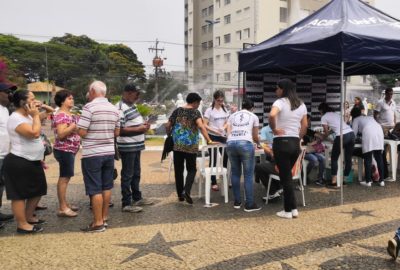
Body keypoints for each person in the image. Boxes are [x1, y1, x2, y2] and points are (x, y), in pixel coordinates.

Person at [3, 90, 53, 234]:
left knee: (38, 190)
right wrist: (36, 115)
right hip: (19, 160)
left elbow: (51, 112)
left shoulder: (28, 116)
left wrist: (41, 106)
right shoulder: (16, 118)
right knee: (19, 194)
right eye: (32, 99)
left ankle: (29, 216)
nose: (35, 101)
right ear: (22, 102)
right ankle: (22, 224)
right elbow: (34, 133)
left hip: (33, 160)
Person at [77, 81, 120, 232]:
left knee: (95, 188)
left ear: (93, 91)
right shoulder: (114, 109)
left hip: (92, 154)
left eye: (89, 91)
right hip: (109, 153)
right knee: (106, 186)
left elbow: (81, 132)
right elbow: (116, 133)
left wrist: (91, 133)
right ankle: (104, 217)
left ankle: (97, 223)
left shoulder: (89, 108)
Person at [269, 79, 307, 219]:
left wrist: (274, 129)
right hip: (294, 143)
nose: (276, 91)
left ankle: (287, 211)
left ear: (282, 89)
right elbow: (305, 125)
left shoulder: (279, 102)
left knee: (286, 178)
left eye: (277, 88)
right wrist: (298, 137)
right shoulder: (301, 104)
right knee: (288, 176)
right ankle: (294, 209)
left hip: (281, 142)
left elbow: (272, 115)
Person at [165, 93, 214, 204]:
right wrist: (209, 140)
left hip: (177, 146)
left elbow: (167, 125)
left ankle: (180, 196)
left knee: (178, 170)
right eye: (198, 103)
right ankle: (186, 190)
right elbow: (201, 126)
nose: (198, 105)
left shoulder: (177, 111)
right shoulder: (195, 112)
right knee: (192, 169)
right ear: (195, 102)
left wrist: (169, 135)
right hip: (191, 146)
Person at [116, 83, 153, 214]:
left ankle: (137, 197)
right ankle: (126, 202)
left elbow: (133, 123)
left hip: (136, 145)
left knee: (136, 173)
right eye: (136, 94)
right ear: (128, 93)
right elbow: (119, 130)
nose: (138, 97)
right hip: (127, 146)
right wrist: (139, 129)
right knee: (127, 174)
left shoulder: (132, 105)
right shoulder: (120, 108)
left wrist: (143, 125)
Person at [226, 98, 261, 212]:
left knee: (235, 173)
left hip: (230, 143)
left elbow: (229, 132)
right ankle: (249, 204)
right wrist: (259, 143)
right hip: (245, 143)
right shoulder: (253, 116)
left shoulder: (233, 115)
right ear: (252, 108)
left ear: (242, 107)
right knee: (248, 175)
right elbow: (255, 136)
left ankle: (237, 202)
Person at [52, 90, 80, 217]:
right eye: (69, 98)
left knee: (66, 177)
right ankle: (62, 207)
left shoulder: (68, 114)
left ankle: (65, 204)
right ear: (62, 101)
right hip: (64, 150)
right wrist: (73, 126)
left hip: (69, 150)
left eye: (72, 98)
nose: (72, 100)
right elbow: (61, 134)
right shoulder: (61, 115)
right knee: (64, 178)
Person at [318, 102, 355, 188]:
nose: (320, 113)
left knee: (334, 158)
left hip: (342, 136)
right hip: (351, 134)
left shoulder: (324, 117)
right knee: (348, 158)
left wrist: (321, 137)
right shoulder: (335, 114)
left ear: (321, 110)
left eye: (319, 111)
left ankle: (334, 182)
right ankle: (344, 180)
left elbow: (326, 133)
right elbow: (335, 128)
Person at [351, 107, 384, 187]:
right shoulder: (369, 117)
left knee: (368, 158)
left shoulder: (356, 119)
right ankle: (382, 181)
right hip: (379, 132)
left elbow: (353, 134)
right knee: (379, 157)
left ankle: (368, 181)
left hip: (368, 133)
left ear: (353, 115)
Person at [203, 90, 229, 191]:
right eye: (218, 100)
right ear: (214, 99)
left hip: (222, 135)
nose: (220, 102)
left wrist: (223, 128)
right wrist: (214, 130)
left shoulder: (225, 109)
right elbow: (204, 124)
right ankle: (213, 182)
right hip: (212, 136)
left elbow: (227, 122)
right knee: (213, 158)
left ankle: (225, 178)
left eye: (222, 100)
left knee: (226, 156)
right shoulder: (209, 110)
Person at [0, 82, 16, 228]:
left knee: (1, 185)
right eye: (7, 92)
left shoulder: (5, 109)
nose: (10, 95)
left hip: (4, 154)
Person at [374, 87, 396, 180]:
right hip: (383, 127)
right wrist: (379, 126)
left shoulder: (393, 102)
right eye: (389, 94)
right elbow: (375, 115)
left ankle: (386, 170)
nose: (390, 95)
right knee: (382, 150)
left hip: (391, 127)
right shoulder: (380, 102)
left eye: (391, 94)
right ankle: (383, 171)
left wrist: (395, 123)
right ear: (386, 94)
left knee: (388, 148)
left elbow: (393, 113)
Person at [302, 114, 326, 186]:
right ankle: (304, 175)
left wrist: (324, 135)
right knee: (314, 159)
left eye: (309, 121)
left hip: (311, 150)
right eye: (308, 121)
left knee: (322, 158)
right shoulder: (299, 130)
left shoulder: (309, 130)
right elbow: (301, 145)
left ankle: (320, 179)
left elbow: (320, 136)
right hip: (303, 151)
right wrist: (313, 143)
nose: (309, 122)